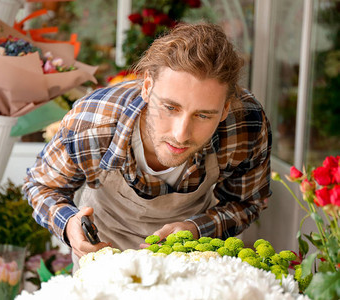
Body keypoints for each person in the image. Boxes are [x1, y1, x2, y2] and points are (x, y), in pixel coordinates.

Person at [23, 23, 272, 262]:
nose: (181, 134)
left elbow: (246, 202)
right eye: (170, 107)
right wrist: (68, 225)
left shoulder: (244, 125)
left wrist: (196, 229)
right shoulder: (92, 121)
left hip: (189, 260)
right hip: (102, 257)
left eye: (203, 115)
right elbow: (42, 185)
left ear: (226, 108)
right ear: (147, 87)